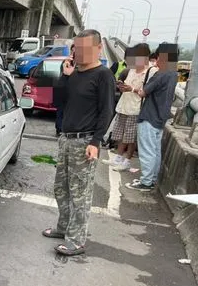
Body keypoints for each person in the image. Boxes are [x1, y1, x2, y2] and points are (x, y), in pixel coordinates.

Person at [42, 29, 116, 256]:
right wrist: (64, 76)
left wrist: (96, 141)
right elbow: (57, 102)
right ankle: (63, 228)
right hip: (66, 139)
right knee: (61, 189)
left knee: (80, 193)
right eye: (77, 48)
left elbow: (107, 111)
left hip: (85, 142)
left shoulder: (103, 75)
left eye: (86, 48)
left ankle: (76, 240)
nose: (81, 53)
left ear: (98, 48)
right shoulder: (74, 74)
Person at [126, 43, 179, 191]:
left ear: (162, 57)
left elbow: (144, 92)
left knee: (147, 151)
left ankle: (146, 182)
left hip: (150, 116)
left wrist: (132, 88)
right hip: (161, 118)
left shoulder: (160, 74)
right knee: (155, 151)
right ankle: (152, 179)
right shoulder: (174, 74)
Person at [106, 43, 154, 171]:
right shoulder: (132, 69)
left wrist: (131, 89)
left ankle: (127, 161)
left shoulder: (150, 71)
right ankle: (118, 157)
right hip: (124, 105)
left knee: (131, 137)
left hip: (136, 108)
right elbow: (127, 86)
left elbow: (147, 91)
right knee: (121, 133)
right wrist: (122, 86)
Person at [54, 44, 75, 135]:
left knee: (66, 111)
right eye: (73, 51)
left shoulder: (78, 62)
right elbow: (65, 73)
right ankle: (59, 130)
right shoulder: (67, 61)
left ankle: (63, 129)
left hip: (69, 89)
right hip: (63, 89)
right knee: (61, 110)